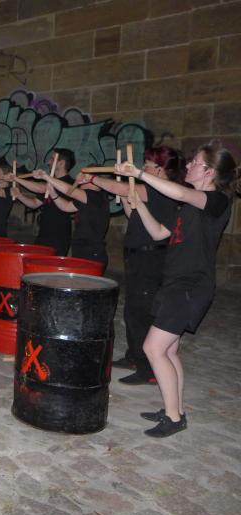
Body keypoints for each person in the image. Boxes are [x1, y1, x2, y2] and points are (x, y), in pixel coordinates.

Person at [115, 143, 239, 438]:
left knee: (153, 348)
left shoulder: (217, 201)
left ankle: (173, 418)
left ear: (209, 172)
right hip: (174, 283)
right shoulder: (189, 207)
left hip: (191, 286)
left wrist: (140, 174)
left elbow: (181, 193)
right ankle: (175, 409)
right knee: (169, 350)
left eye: (196, 162)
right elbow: (158, 232)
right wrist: (138, 204)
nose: (189, 166)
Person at [92, 146, 183, 385]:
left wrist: (93, 179)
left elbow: (120, 187)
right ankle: (134, 356)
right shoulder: (150, 191)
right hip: (137, 255)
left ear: (160, 170)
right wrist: (125, 196)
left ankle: (148, 370)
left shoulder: (161, 191)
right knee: (132, 310)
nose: (143, 168)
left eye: (148, 165)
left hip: (150, 258)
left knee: (141, 312)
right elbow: (132, 212)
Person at [39, 167, 110, 267]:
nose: (80, 180)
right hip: (81, 249)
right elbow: (66, 207)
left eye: (84, 176)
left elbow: (69, 190)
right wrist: (53, 194)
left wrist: (45, 176)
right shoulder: (86, 199)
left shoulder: (96, 196)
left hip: (92, 252)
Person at [12, 149, 76, 256]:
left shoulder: (69, 184)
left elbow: (41, 188)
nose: (49, 162)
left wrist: (16, 179)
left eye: (52, 159)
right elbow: (35, 203)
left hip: (59, 235)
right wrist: (19, 196)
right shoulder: (51, 182)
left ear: (61, 163)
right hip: (43, 233)